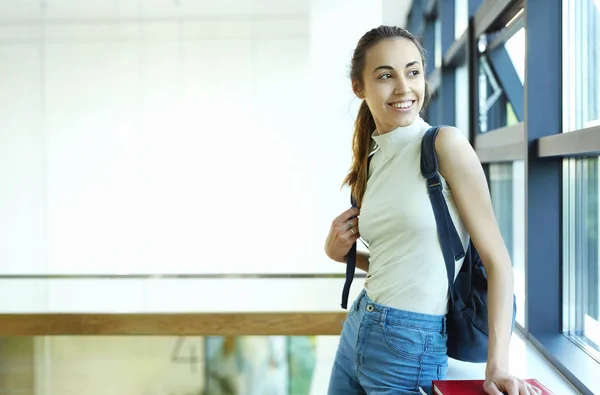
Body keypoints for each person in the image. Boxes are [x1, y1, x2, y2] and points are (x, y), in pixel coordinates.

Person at [324, 25, 541, 395]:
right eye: (385, 76)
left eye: (412, 72)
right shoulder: (373, 158)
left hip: (410, 345)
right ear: (358, 87)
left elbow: (498, 261)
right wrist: (339, 254)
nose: (403, 88)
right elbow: (406, 264)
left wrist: (498, 365)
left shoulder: (445, 145)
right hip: (360, 325)